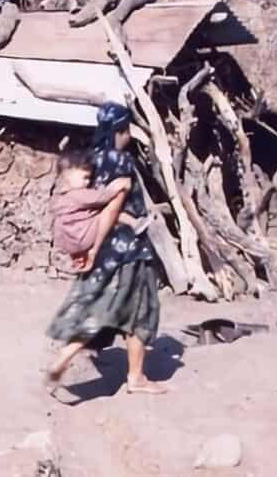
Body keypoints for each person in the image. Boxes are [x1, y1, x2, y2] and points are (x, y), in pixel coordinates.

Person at [46, 102, 167, 396]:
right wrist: (103, 240)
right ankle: (136, 378)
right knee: (139, 310)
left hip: (104, 251)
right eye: (127, 130)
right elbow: (111, 208)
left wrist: (93, 249)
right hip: (127, 248)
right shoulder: (120, 160)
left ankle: (66, 355)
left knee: (101, 305)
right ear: (121, 129)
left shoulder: (93, 159)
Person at [49, 150, 148, 274]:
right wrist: (119, 184)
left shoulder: (59, 198)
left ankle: (134, 223)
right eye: (85, 177)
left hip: (68, 243)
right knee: (106, 212)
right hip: (82, 238)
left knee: (94, 213)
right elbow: (103, 197)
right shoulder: (78, 194)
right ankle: (134, 223)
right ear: (68, 174)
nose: (88, 182)